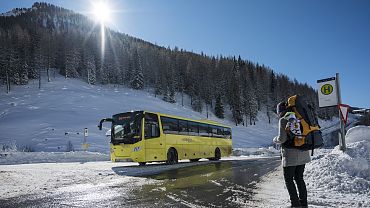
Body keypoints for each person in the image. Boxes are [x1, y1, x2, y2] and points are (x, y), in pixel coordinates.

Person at [273, 101, 311, 208]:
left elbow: (282, 139)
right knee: (299, 178)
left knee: (289, 180)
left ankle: (295, 204)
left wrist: (275, 139)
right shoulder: (300, 117)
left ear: (280, 111)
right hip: (303, 153)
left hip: (290, 156)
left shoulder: (283, 119)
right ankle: (304, 204)